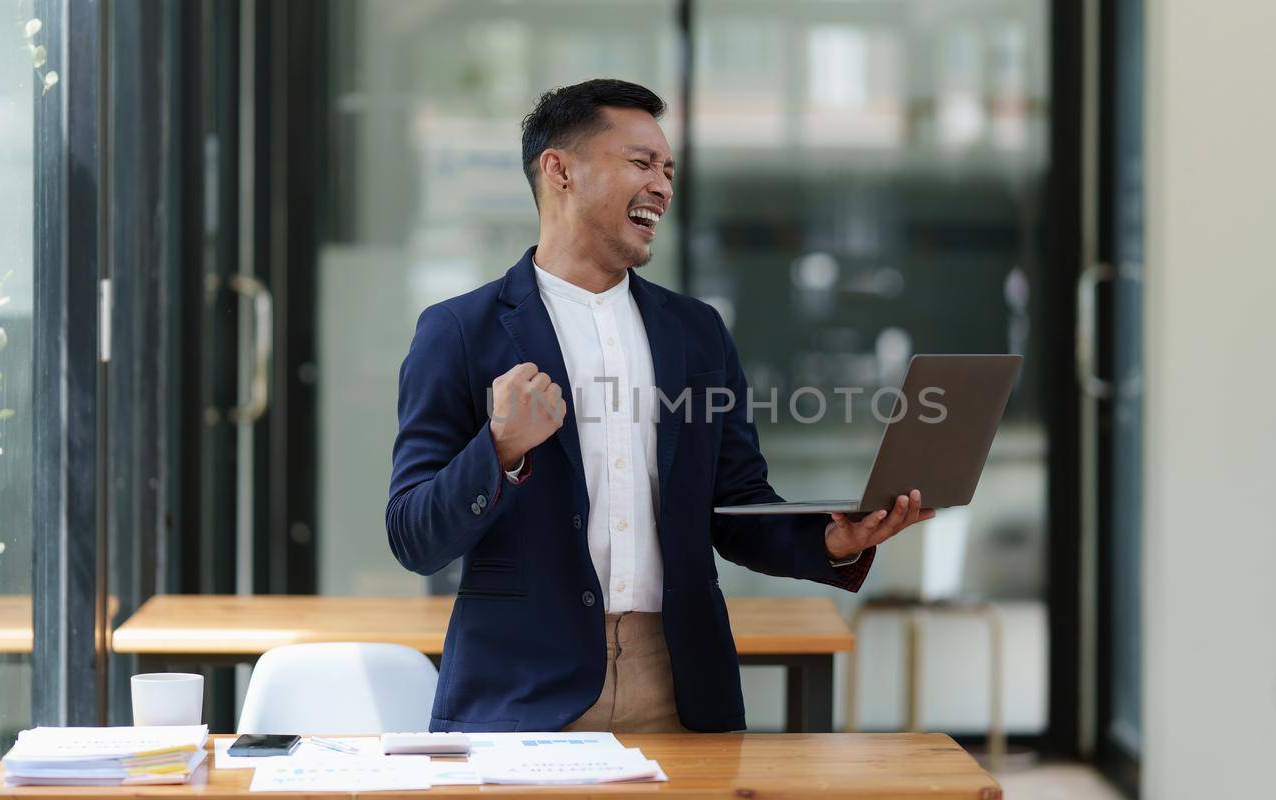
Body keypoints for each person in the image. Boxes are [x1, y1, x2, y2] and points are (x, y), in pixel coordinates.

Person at [386, 78, 932, 733]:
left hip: (678, 686)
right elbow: (413, 536)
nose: (663, 187)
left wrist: (832, 541)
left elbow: (736, 506)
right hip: (522, 692)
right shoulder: (460, 331)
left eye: (668, 170)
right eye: (641, 163)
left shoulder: (695, 332)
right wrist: (498, 448)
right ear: (559, 170)